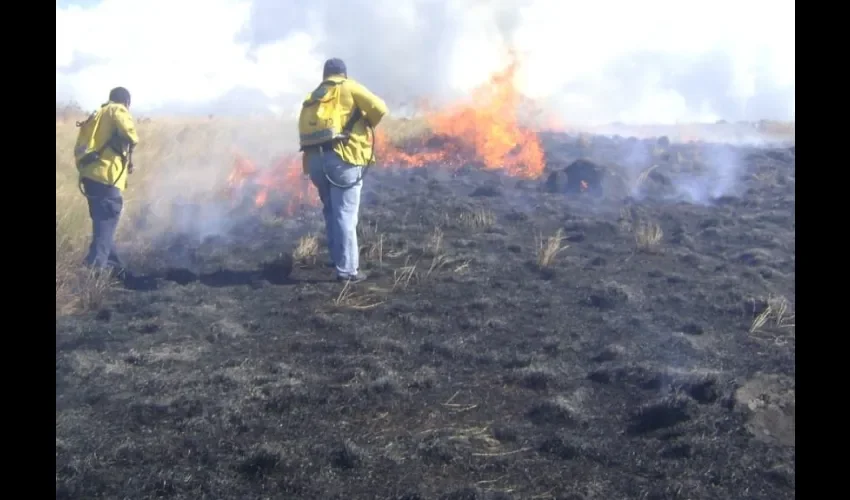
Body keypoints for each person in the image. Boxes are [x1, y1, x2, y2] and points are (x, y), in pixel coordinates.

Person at [299, 58, 388, 282]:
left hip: (315, 161)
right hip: (344, 157)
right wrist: (367, 122)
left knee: (331, 211)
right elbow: (380, 108)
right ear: (343, 74)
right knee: (345, 213)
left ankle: (338, 258)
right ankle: (348, 271)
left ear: (325, 75)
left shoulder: (315, 94)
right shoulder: (348, 86)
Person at [74, 87, 139, 277]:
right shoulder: (117, 110)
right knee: (108, 217)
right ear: (126, 102)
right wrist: (132, 140)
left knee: (103, 223)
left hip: (90, 175)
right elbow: (131, 134)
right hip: (106, 176)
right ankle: (93, 272)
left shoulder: (97, 114)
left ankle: (115, 267)